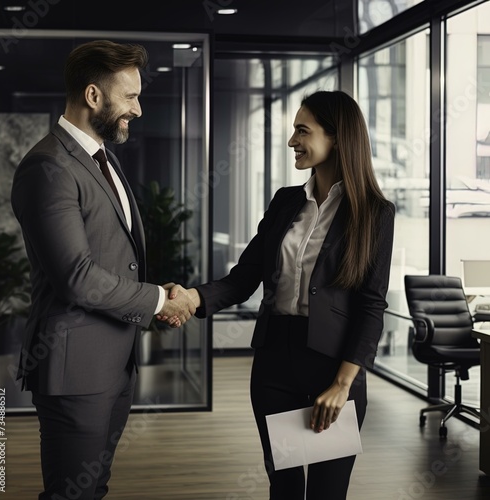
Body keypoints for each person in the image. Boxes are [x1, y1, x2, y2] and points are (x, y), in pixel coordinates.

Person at [168, 90, 395, 499]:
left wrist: (343, 384)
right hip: (275, 365)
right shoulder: (285, 202)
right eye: (294, 130)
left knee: (326, 491)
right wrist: (192, 298)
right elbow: (245, 277)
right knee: (285, 486)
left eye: (302, 131)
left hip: (332, 367)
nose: (292, 140)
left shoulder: (374, 212)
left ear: (337, 138)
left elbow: (371, 304)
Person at [11, 39, 194, 499]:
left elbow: (116, 254)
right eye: (130, 96)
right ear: (94, 96)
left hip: (113, 364)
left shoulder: (102, 157)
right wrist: (156, 300)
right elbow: (76, 275)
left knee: (93, 488)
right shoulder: (48, 166)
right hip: (75, 371)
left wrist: (157, 290)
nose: (138, 108)